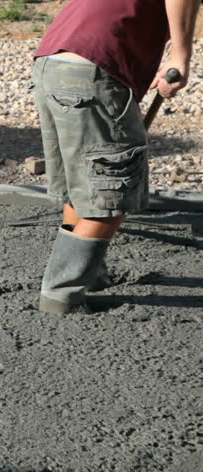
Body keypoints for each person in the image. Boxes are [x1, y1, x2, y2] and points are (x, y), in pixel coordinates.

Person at [32, 0, 200, 314]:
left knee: (82, 185)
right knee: (114, 192)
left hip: (53, 61)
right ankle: (61, 297)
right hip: (94, 66)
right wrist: (181, 56)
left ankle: (91, 276)